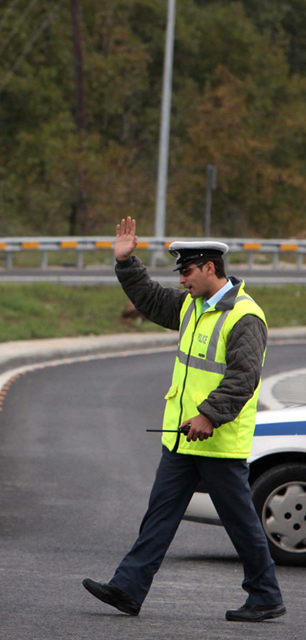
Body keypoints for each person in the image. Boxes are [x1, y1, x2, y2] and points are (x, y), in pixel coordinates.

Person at [82, 217, 285, 623]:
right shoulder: (194, 305)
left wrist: (209, 416)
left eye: (187, 271)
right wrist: (127, 263)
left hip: (218, 441)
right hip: (182, 439)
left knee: (241, 522)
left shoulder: (245, 317)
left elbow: (243, 378)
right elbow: (152, 300)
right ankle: (128, 588)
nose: (182, 280)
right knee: (159, 515)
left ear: (210, 268)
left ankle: (265, 596)